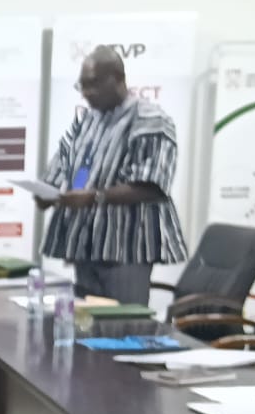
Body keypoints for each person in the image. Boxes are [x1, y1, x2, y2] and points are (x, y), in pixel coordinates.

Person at [37, 45, 188, 306]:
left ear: (118, 79)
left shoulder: (150, 119)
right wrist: (48, 191)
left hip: (126, 249)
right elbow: (67, 163)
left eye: (93, 84)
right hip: (86, 247)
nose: (86, 93)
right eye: (82, 85)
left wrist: (93, 197)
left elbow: (151, 186)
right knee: (87, 323)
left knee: (123, 323)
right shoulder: (87, 120)